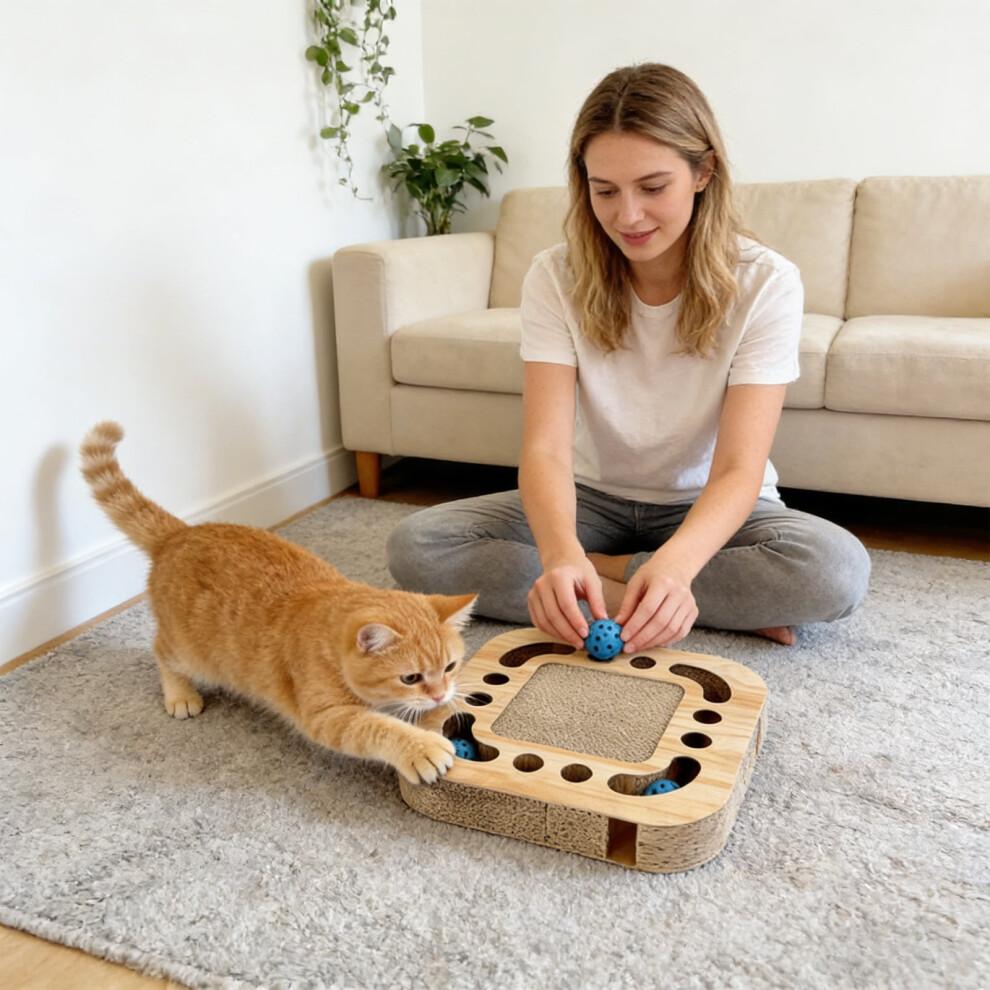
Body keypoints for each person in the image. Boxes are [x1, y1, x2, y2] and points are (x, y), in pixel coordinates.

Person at [387, 63, 871, 653]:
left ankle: (620, 583)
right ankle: (678, 608)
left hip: (704, 504)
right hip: (589, 494)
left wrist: (676, 565)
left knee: (833, 571)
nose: (628, 216)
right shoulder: (554, 276)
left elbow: (740, 468)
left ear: (703, 172)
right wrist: (561, 553)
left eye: (652, 187)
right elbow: (544, 448)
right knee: (418, 547)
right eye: (604, 191)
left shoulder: (765, 282)